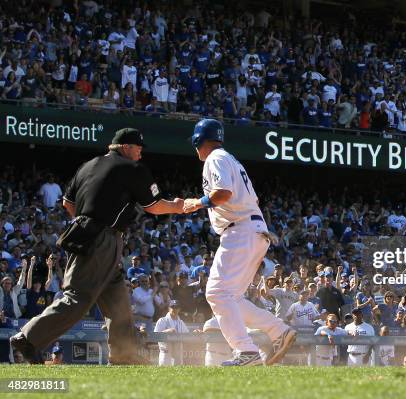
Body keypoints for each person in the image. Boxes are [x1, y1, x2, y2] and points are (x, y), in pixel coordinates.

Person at [10, 128, 184, 365]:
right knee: (77, 297)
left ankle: (125, 353)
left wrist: (87, 220)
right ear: (125, 147)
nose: (141, 154)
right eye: (138, 148)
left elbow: (67, 202)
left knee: (118, 299)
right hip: (103, 238)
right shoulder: (132, 169)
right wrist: (179, 206)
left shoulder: (88, 165)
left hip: (87, 233)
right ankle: (28, 338)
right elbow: (154, 206)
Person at [182, 119, 296, 366]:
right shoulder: (231, 159)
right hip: (252, 230)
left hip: (240, 231)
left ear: (199, 140)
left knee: (216, 293)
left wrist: (198, 203)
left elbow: (224, 193)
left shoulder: (215, 158)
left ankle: (246, 351)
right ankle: (279, 331)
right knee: (230, 297)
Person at [154, 300, 190, 366]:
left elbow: (187, 336)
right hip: (165, 354)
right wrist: (166, 331)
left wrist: (195, 332)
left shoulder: (181, 322)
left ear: (179, 309)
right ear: (169, 308)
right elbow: (155, 337)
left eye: (176, 307)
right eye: (172, 307)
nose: (174, 309)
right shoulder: (162, 320)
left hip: (178, 355)